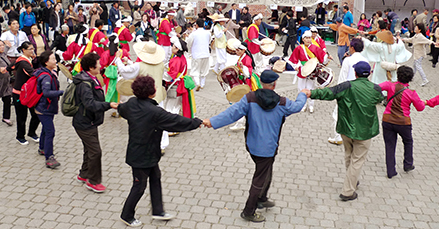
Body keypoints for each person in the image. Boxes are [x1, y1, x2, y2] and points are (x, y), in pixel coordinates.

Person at [203, 70, 307, 222]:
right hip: (269, 147)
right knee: (260, 177)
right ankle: (249, 211)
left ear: (261, 83)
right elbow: (297, 106)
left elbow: (232, 113)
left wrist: (212, 121)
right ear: (275, 84)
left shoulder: (250, 98)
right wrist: (303, 94)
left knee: (266, 169)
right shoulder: (282, 102)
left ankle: (262, 198)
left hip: (252, 144)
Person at [119, 75, 202, 227]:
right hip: (141, 156)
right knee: (139, 186)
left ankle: (158, 210)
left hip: (147, 153)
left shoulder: (131, 103)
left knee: (156, 177)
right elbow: (176, 121)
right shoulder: (155, 112)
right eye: (155, 87)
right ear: (150, 92)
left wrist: (114, 105)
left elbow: (122, 109)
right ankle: (127, 215)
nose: (157, 88)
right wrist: (196, 122)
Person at [304, 61, 384, 201]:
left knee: (349, 155)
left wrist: (311, 93)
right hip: (365, 131)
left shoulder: (346, 86)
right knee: (357, 160)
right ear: (370, 73)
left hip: (346, 128)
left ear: (355, 73)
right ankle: (348, 191)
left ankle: (351, 180)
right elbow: (381, 98)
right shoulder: (375, 89)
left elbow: (328, 93)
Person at [73, 52, 119, 193]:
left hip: (88, 120)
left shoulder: (91, 78)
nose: (101, 65)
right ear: (91, 67)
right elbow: (90, 104)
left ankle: (84, 174)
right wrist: (108, 105)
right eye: (98, 63)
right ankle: (93, 181)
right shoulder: (85, 83)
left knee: (89, 149)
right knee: (96, 151)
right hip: (85, 122)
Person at [379, 66, 425, 178]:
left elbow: (376, 87)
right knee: (408, 142)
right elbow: (420, 108)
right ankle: (408, 164)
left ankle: (391, 171)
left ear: (398, 75)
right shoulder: (411, 93)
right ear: (410, 78)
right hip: (403, 122)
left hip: (388, 119)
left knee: (390, 145)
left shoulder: (389, 85)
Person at [328, 38, 368, 145]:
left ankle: (338, 136)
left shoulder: (348, 60)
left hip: (347, 90)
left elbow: (342, 78)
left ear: (352, 48)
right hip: (360, 91)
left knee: (338, 114)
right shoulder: (365, 60)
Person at [34, 50, 64, 169]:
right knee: (50, 131)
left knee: (46, 130)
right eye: (53, 59)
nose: (55, 61)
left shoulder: (47, 72)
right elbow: (46, 92)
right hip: (44, 108)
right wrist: (61, 92)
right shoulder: (46, 76)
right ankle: (49, 157)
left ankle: (42, 148)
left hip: (47, 107)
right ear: (46, 62)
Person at [288, 30, 326, 113]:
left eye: (309, 38)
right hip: (302, 69)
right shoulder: (299, 48)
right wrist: (296, 66)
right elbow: (293, 59)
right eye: (306, 38)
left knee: (310, 88)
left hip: (312, 70)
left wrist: (325, 59)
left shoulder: (316, 48)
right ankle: (302, 105)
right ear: (303, 39)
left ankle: (311, 105)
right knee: (301, 88)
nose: (308, 40)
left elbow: (322, 58)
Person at [11, 42, 40, 144]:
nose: (32, 51)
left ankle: (32, 133)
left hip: (29, 93)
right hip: (19, 93)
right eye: (30, 49)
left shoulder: (26, 60)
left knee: (36, 114)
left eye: (33, 49)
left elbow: (11, 66)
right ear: (23, 50)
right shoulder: (23, 62)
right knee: (22, 117)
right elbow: (33, 73)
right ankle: (20, 136)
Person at [187, 18, 211, 91]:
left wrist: (189, 52)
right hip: (206, 53)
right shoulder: (208, 33)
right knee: (204, 70)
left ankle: (198, 83)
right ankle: (202, 84)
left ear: (196, 25)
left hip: (196, 54)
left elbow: (189, 43)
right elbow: (209, 41)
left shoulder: (193, 34)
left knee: (195, 70)